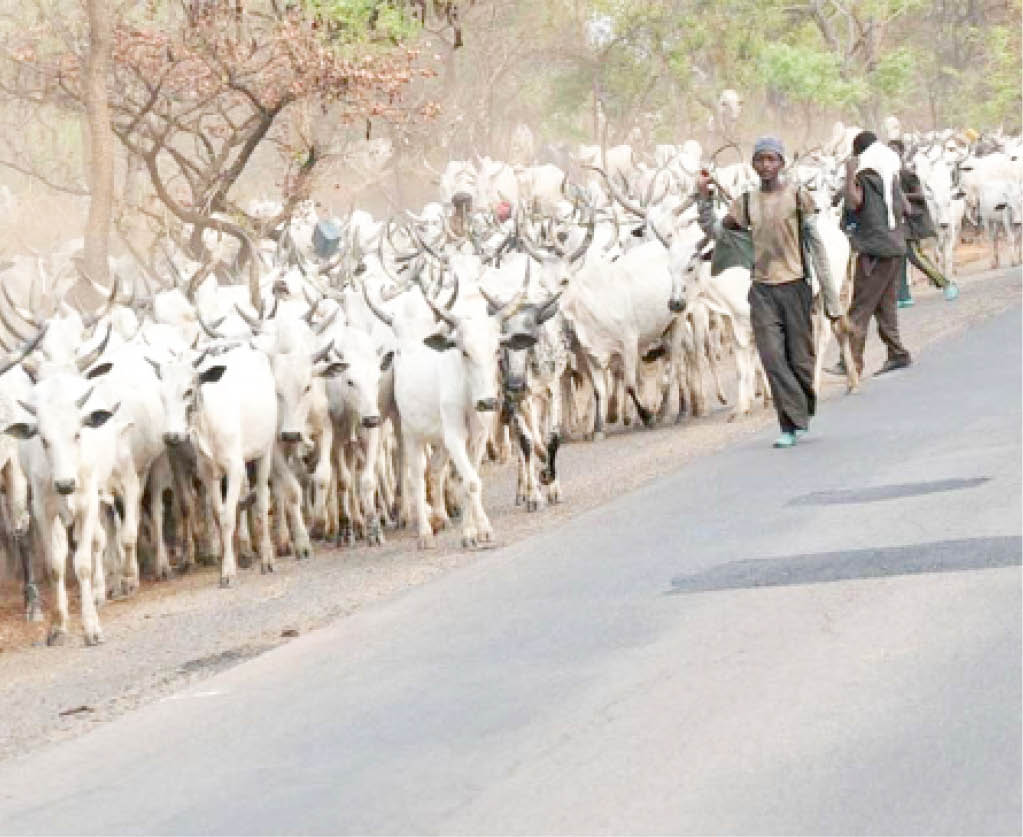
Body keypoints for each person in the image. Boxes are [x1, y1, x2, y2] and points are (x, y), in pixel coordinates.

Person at [697, 136, 844, 449]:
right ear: (753, 164)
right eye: (760, 159)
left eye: (771, 159)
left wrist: (830, 298)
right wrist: (704, 200)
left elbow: (815, 245)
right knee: (773, 358)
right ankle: (789, 424)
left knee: (800, 360)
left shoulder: (797, 197)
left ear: (781, 163)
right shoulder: (747, 203)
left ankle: (801, 409)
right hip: (763, 290)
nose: (766, 165)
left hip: (795, 285)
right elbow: (717, 232)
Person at [829, 130, 912, 378]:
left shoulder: (864, 178)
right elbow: (906, 208)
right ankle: (897, 353)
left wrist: (849, 174)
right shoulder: (890, 179)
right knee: (885, 306)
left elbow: (854, 202)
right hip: (896, 248)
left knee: (860, 307)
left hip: (874, 252)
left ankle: (850, 361)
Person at [889, 138, 959, 307]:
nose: (891, 154)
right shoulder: (886, 175)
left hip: (908, 223)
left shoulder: (906, 174)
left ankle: (945, 283)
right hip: (894, 225)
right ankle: (903, 297)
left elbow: (920, 195)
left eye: (894, 151)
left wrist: (901, 196)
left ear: (901, 153)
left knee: (916, 257)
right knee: (898, 260)